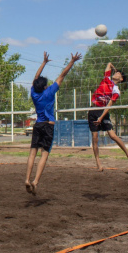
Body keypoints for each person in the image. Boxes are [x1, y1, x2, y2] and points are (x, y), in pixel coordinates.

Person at [25, 51, 82, 195]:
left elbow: (35, 78)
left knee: (32, 154)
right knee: (44, 154)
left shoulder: (34, 93)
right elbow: (62, 75)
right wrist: (72, 62)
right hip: (49, 126)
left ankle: (27, 179)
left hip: (38, 125)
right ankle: (35, 182)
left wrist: (43, 63)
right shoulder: (50, 92)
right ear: (45, 86)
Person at [89, 62, 128, 171]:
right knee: (95, 138)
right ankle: (98, 164)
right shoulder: (107, 78)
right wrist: (115, 69)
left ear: (121, 79)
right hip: (93, 110)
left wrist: (101, 118)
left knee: (113, 135)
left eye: (119, 74)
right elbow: (109, 64)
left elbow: (109, 105)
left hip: (103, 112)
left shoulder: (116, 90)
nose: (117, 73)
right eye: (117, 72)